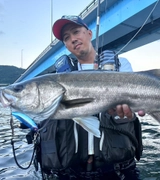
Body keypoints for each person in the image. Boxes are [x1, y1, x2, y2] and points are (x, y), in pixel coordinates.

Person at [37, 15, 144, 180]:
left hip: (117, 171)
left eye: (76, 32)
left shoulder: (121, 65)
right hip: (71, 172)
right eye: (67, 38)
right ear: (65, 45)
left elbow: (136, 100)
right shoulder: (58, 79)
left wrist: (132, 110)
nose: (73, 39)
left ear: (89, 33)